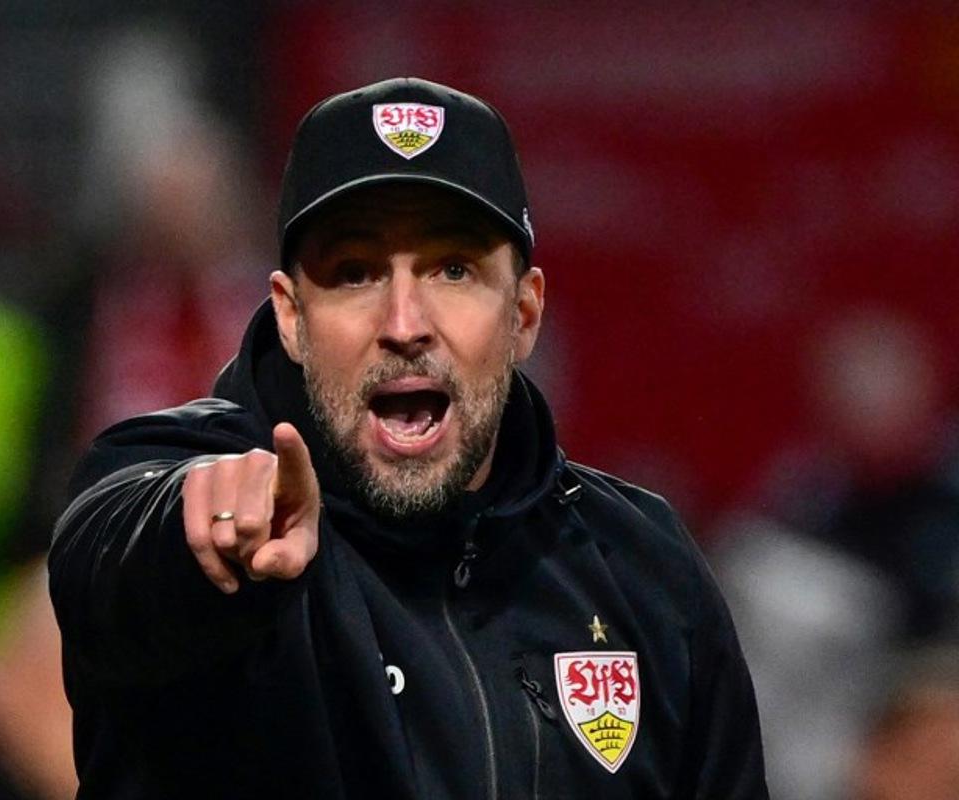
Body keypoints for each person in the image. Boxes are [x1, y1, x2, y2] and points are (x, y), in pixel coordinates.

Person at [49, 77, 768, 799]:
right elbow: (106, 562)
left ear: (523, 314)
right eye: (356, 273)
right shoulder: (180, 481)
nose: (404, 323)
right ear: (292, 317)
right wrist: (200, 533)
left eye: (453, 270)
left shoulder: (643, 570)